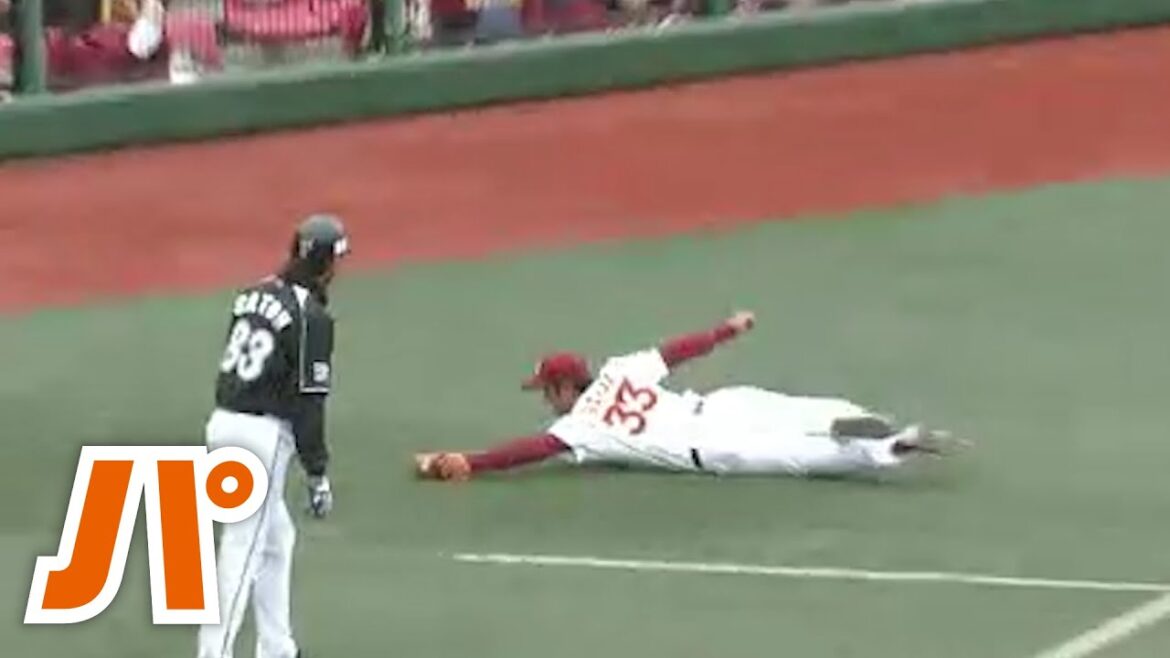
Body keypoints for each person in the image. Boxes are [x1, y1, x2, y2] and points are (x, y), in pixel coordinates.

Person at [415, 311, 963, 481]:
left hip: (713, 445)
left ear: (564, 388)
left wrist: (469, 461)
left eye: (546, 391)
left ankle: (886, 449)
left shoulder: (577, 428)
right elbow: (674, 352)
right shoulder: (619, 370)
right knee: (803, 409)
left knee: (801, 455)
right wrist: (726, 330)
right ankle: (869, 421)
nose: (545, 401)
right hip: (720, 403)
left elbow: (528, 452)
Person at [198, 214, 349, 658]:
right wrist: (317, 474)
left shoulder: (253, 294)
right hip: (258, 438)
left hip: (224, 423)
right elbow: (309, 403)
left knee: (276, 539)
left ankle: (278, 648)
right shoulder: (312, 317)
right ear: (326, 264)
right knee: (242, 552)